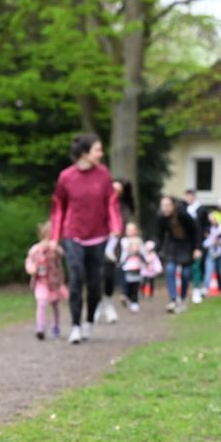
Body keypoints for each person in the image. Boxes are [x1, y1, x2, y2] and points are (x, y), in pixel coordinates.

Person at [49, 134, 123, 345]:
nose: (101, 154)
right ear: (84, 153)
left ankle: (89, 321)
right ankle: (75, 326)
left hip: (98, 236)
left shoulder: (103, 174)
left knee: (94, 283)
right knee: (76, 279)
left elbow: (111, 203)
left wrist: (116, 227)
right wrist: (54, 237)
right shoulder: (66, 177)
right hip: (73, 234)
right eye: (97, 150)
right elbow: (58, 208)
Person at [98, 178, 136, 321]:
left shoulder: (124, 208)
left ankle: (107, 302)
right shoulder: (99, 203)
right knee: (96, 276)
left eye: (118, 191)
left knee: (108, 275)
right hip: (97, 243)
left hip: (114, 247)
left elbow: (125, 227)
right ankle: (98, 304)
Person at [156, 196, 201, 313]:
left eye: (167, 205)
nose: (165, 208)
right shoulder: (162, 218)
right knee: (170, 269)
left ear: (173, 206)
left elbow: (196, 231)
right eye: (163, 205)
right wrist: (155, 250)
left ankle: (182, 298)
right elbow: (160, 236)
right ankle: (173, 299)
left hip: (187, 246)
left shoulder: (183, 214)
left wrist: (197, 248)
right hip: (173, 246)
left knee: (185, 274)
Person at [25, 221, 68, 340]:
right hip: (41, 282)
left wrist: (53, 247)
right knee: (42, 302)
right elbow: (29, 260)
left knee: (55, 305)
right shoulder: (36, 249)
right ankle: (40, 328)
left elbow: (61, 254)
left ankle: (56, 326)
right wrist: (31, 268)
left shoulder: (55, 248)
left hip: (54, 283)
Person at [184, 188, 210, 303]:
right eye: (187, 196)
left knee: (196, 266)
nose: (189, 198)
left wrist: (203, 239)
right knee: (185, 268)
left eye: (190, 196)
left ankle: (196, 290)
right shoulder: (183, 209)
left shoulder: (201, 210)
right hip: (185, 243)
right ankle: (184, 291)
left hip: (197, 243)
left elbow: (206, 226)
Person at [203, 211, 221, 298]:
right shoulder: (209, 229)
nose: (212, 221)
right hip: (211, 252)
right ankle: (205, 288)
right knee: (208, 270)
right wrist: (212, 241)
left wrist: (219, 241)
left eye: (214, 219)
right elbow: (205, 242)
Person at [119, 223, 146, 313]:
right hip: (126, 266)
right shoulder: (124, 241)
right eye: (128, 230)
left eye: (132, 229)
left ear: (136, 231)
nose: (130, 231)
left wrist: (146, 260)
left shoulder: (139, 240)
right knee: (126, 284)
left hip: (137, 267)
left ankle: (134, 302)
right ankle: (124, 296)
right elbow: (124, 251)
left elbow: (143, 252)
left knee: (135, 286)